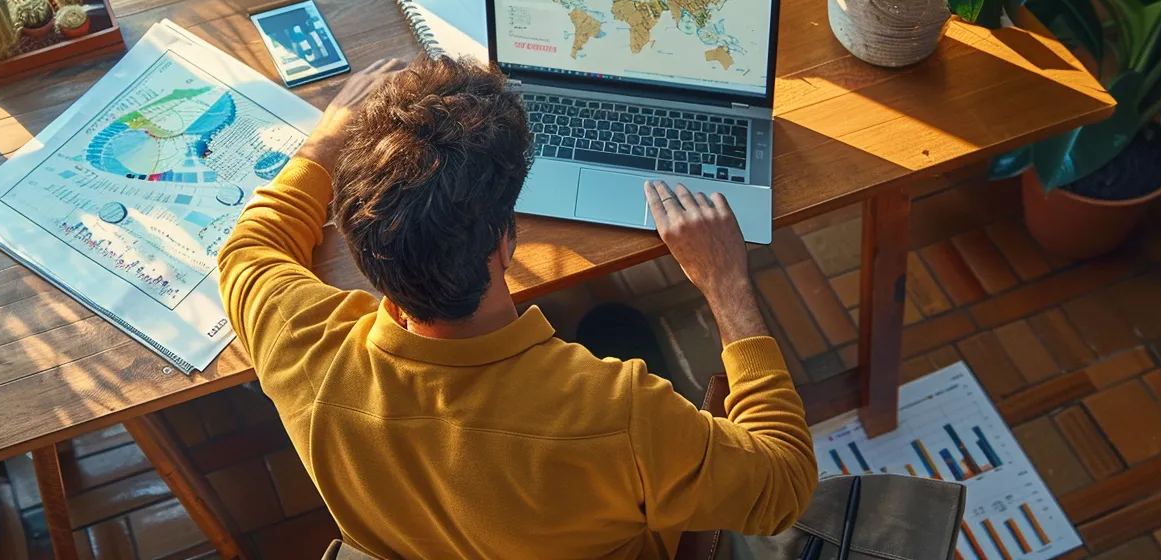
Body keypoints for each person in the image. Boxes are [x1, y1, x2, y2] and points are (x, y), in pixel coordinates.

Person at [219, 56, 817, 559]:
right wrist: (727, 284)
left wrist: (328, 137)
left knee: (614, 326)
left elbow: (247, 247)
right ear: (507, 240)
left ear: (361, 246)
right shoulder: (619, 416)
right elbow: (785, 484)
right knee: (617, 328)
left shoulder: (300, 346)